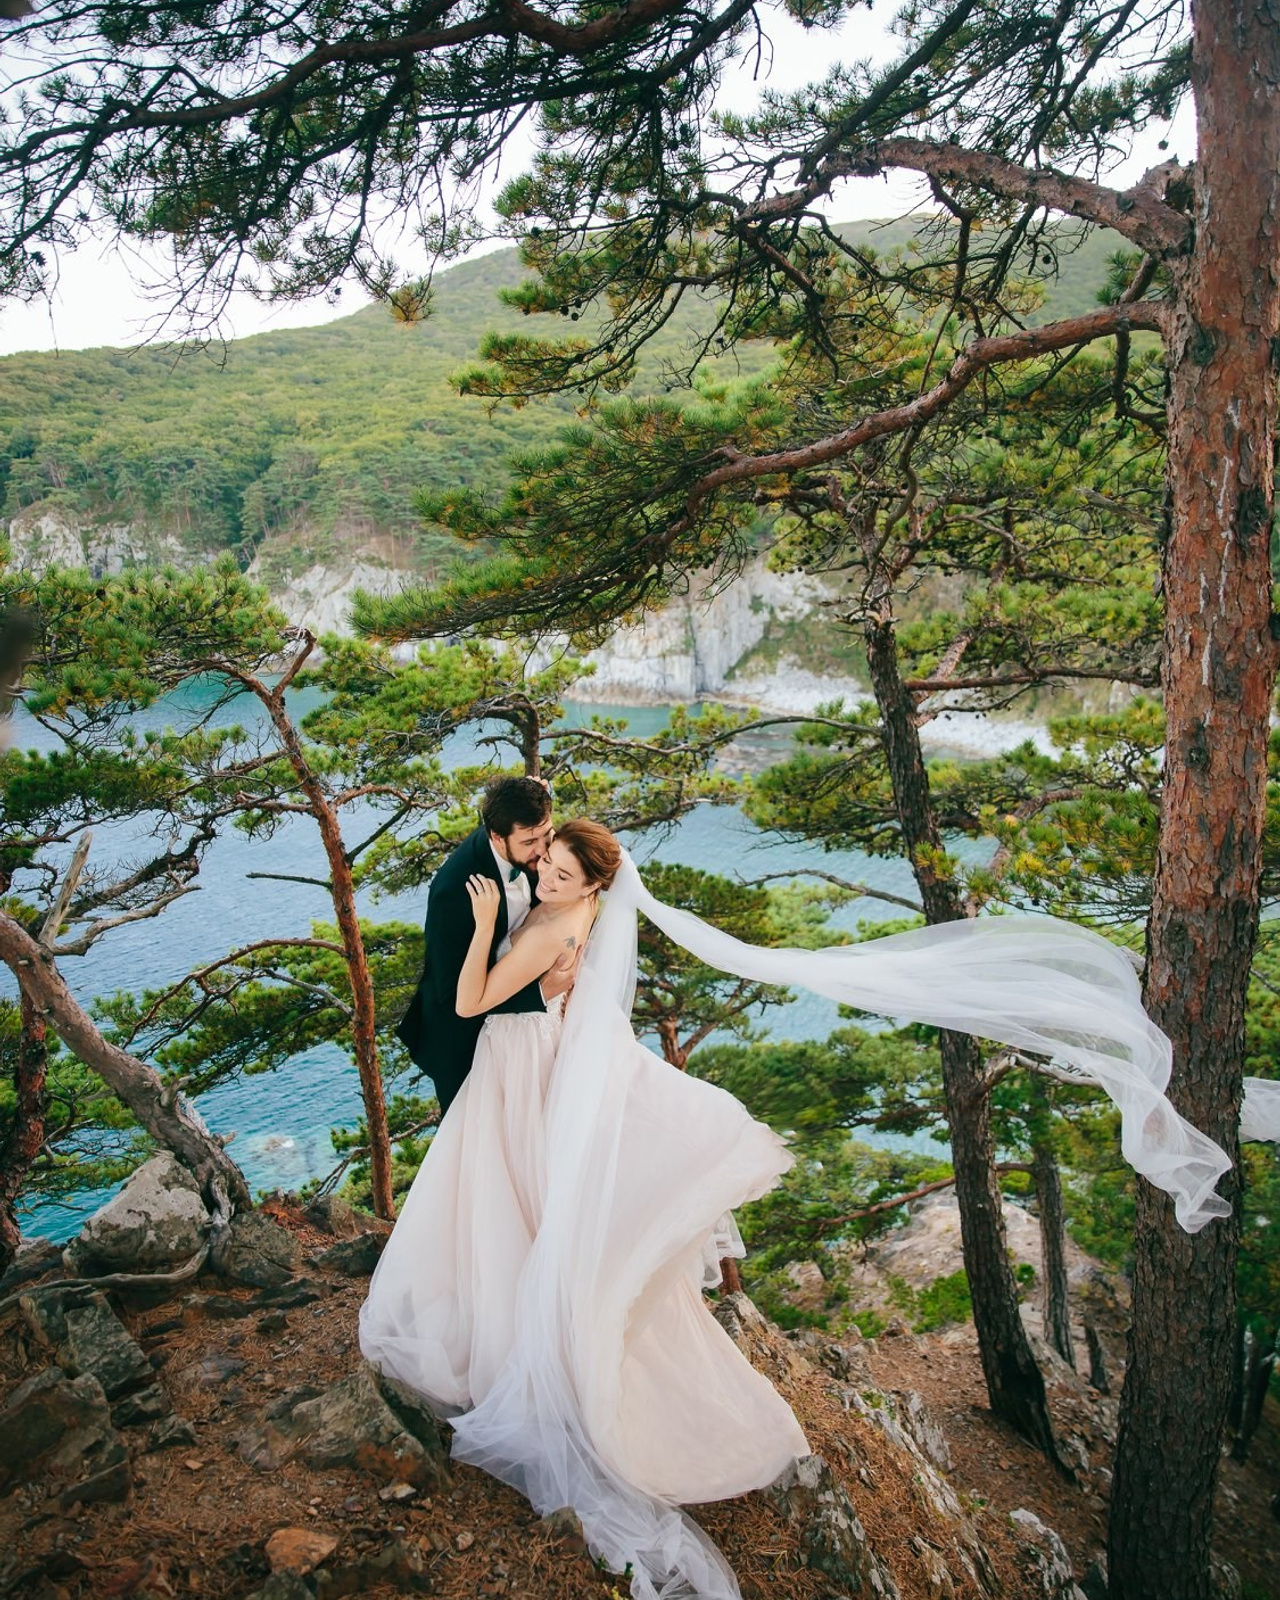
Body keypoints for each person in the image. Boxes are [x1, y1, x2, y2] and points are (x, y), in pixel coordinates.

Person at [364, 815, 1269, 1600]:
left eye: (561, 871)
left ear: (594, 882)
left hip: (533, 1071)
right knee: (547, 1217)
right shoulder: (587, 912)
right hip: (557, 1073)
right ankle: (554, 1310)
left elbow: (473, 998)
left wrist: (490, 921)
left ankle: (548, 1343)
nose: (545, 877)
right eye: (544, 865)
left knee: (530, 1213)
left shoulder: (555, 920)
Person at [395, 775, 575, 1117]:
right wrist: (541, 992)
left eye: (546, 835)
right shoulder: (454, 890)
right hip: (461, 1040)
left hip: (514, 1034)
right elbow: (451, 992)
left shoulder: (532, 845)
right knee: (473, 1147)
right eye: (530, 841)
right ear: (497, 836)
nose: (543, 850)